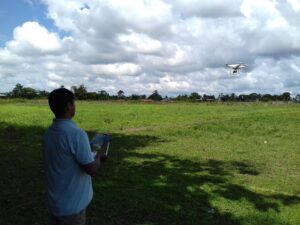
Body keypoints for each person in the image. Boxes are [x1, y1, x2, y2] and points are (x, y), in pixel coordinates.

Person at [43, 88, 109, 225]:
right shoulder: (77, 134)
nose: (75, 106)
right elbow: (91, 169)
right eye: (74, 103)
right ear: (68, 106)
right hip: (72, 208)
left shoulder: (49, 133)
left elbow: (65, 159)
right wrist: (98, 157)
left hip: (55, 204)